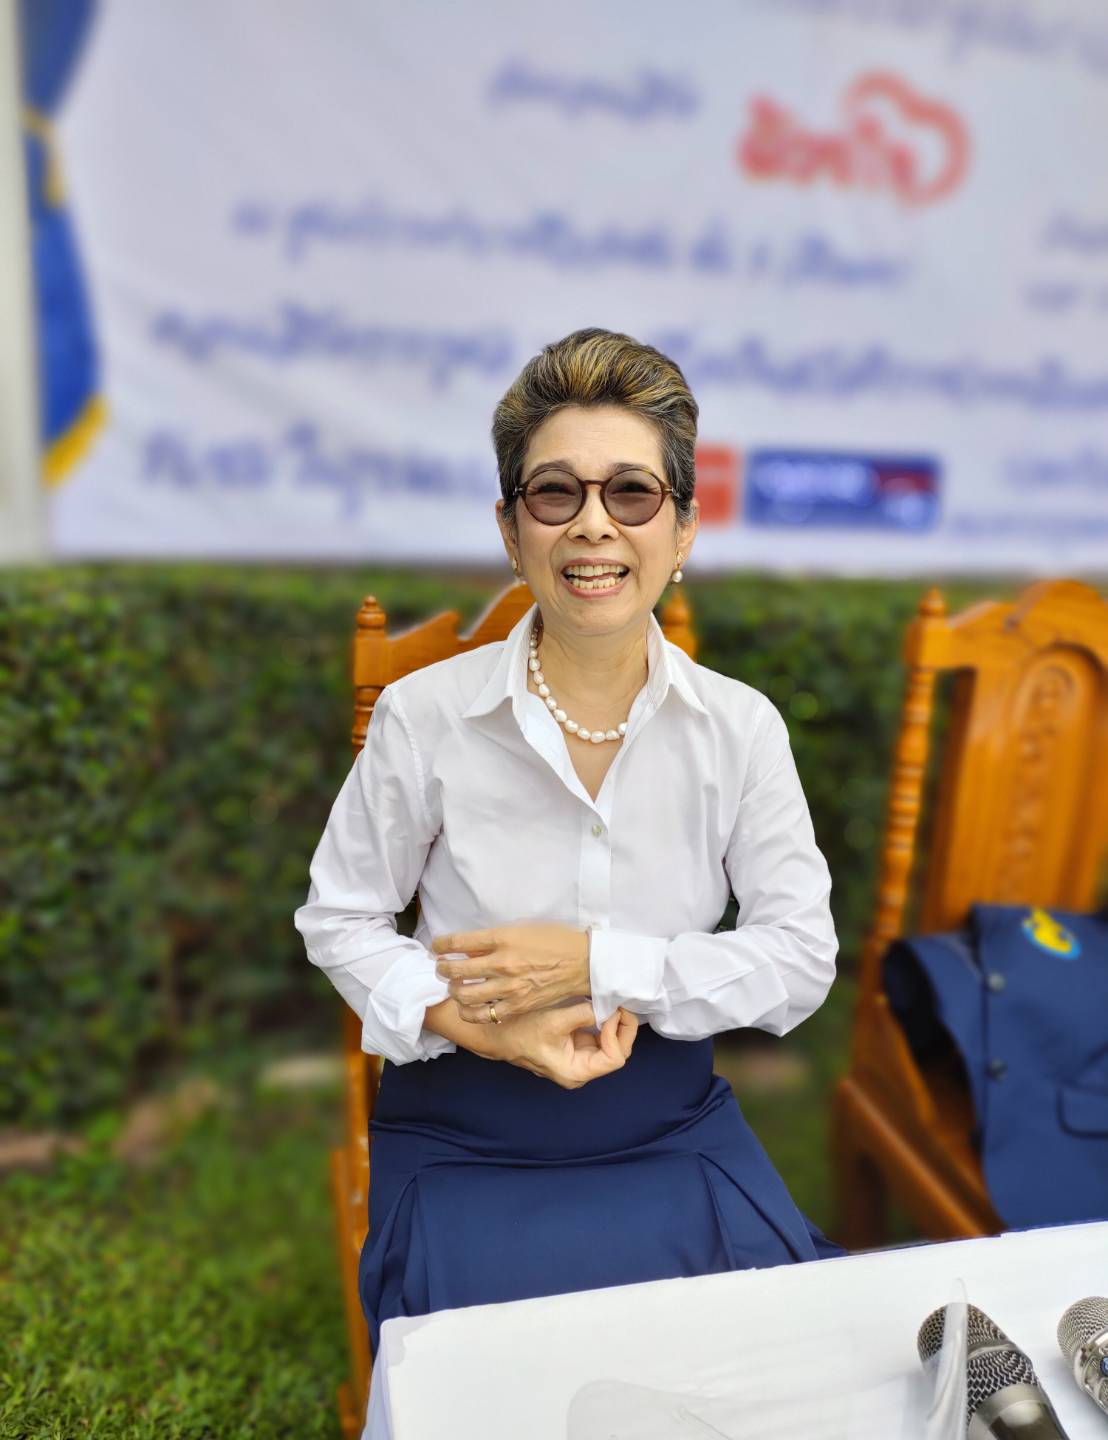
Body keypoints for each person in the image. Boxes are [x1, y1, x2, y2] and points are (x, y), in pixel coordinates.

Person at [294, 326, 844, 1363]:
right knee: (509, 1392)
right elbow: (340, 917)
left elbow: (799, 958)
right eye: (556, 493)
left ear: (682, 529)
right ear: (513, 531)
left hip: (669, 1122)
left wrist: (599, 964)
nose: (595, 523)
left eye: (632, 492)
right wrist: (468, 1020)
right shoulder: (425, 714)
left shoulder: (741, 728)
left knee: (773, 1374)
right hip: (465, 1127)